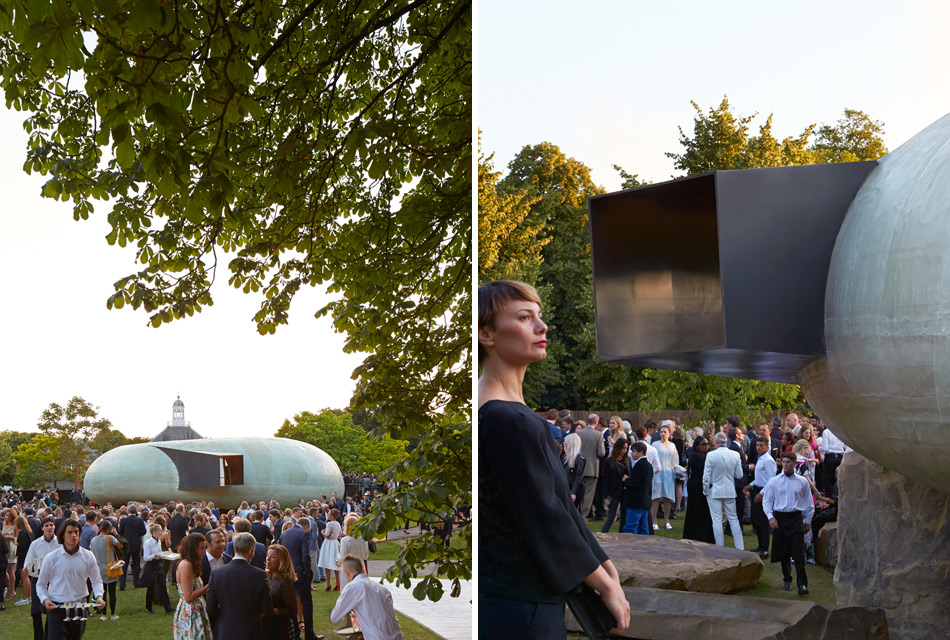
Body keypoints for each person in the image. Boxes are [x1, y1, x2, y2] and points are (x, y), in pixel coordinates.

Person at [478, 279, 629, 637]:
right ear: (487, 333)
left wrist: (607, 568)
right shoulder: (504, 419)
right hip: (519, 605)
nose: (542, 327)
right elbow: (544, 517)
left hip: (521, 600)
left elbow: (560, 507)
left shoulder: (512, 415)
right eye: (525, 317)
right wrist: (606, 586)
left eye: (539, 317)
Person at [36, 520, 107, 639]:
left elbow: (96, 580)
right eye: (70, 532)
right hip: (57, 608)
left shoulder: (88, 556)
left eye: (76, 532)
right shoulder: (51, 558)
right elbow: (41, 584)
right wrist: (45, 599)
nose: (73, 535)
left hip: (79, 607)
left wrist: (99, 596)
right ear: (63, 535)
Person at [762, 451, 815, 596]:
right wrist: (770, 517)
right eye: (783, 462)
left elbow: (808, 502)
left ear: (794, 463)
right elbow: (767, 501)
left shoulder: (802, 481)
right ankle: (787, 579)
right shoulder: (774, 481)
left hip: (796, 518)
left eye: (788, 462)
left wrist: (807, 521)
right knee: (783, 552)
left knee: (798, 553)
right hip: (779, 517)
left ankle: (802, 584)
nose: (785, 464)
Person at [206, 531, 273, 640]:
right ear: (251, 551)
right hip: (252, 631)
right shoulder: (260, 575)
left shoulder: (217, 574)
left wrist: (225, 616)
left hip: (226, 630)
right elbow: (267, 608)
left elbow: (210, 607)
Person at [330, 554, 403, 640]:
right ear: (363, 570)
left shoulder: (353, 587)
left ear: (346, 573)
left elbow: (335, 618)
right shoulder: (382, 589)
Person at [702, 432, 745, 550]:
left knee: (716, 520)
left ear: (716, 442)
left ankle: (720, 547)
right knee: (733, 519)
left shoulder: (711, 455)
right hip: (729, 490)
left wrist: (705, 491)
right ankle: (740, 547)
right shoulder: (735, 454)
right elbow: (739, 474)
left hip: (715, 490)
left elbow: (706, 477)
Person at [24, 516, 59, 640]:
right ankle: (39, 637)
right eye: (46, 525)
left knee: (51, 610)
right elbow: (28, 561)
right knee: (36, 611)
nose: (49, 528)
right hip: (37, 579)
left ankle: (49, 635)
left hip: (54, 580)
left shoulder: (60, 543)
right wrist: (26, 570)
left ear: (54, 527)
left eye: (51, 525)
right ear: (42, 528)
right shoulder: (35, 544)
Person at [173, 532, 213, 640]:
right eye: (201, 548)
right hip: (190, 612)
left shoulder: (192, 563)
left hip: (197, 608)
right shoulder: (186, 565)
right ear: (192, 549)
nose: (204, 551)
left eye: (205, 547)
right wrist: (209, 586)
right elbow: (188, 597)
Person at [743, 437, 777, 558]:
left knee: (763, 521)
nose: (758, 447)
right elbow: (758, 479)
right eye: (757, 445)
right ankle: (760, 545)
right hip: (757, 488)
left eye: (761, 445)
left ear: (767, 447)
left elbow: (771, 480)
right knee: (755, 520)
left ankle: (765, 548)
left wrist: (761, 493)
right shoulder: (760, 458)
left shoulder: (768, 460)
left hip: (765, 491)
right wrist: (750, 486)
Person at [263, 544, 302, 640]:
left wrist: (272, 611)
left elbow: (292, 610)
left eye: (273, 557)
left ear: (281, 561)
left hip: (281, 629)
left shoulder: (285, 582)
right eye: (267, 555)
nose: (268, 559)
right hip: (267, 628)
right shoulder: (266, 576)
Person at [681, 436, 715, 544]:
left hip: (702, 485)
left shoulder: (706, 456)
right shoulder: (695, 456)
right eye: (703, 444)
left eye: (707, 444)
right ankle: (695, 535)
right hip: (696, 486)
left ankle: (704, 535)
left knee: (704, 512)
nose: (706, 446)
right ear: (697, 446)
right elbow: (705, 468)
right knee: (696, 510)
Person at [88, 520, 123, 620]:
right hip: (110, 567)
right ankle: (112, 614)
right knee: (112, 592)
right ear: (109, 529)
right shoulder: (110, 538)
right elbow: (121, 545)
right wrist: (116, 534)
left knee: (101, 592)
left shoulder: (93, 540)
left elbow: (91, 553)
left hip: (98, 568)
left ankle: (103, 614)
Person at [141, 522, 175, 614]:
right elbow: (145, 557)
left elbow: (160, 552)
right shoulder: (148, 543)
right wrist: (154, 555)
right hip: (151, 566)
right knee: (151, 587)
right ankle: (149, 607)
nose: (161, 532)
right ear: (154, 532)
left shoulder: (159, 541)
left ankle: (167, 607)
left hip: (158, 565)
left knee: (163, 585)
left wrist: (163, 555)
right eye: (160, 531)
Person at [622, 442, 654, 535]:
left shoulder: (639, 465)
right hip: (644, 501)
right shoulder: (649, 465)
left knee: (631, 527)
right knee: (643, 528)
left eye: (634, 451)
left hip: (636, 501)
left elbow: (635, 483)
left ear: (641, 452)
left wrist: (626, 480)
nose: (631, 453)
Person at [651, 423, 678, 530]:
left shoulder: (672, 445)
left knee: (667, 498)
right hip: (657, 473)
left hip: (668, 473)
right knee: (656, 498)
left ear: (669, 433)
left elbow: (675, 460)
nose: (662, 434)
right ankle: (654, 521)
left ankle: (667, 520)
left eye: (665, 432)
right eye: (661, 432)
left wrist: (677, 472)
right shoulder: (655, 444)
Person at [601, 438, 631, 533]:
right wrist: (607, 497)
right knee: (611, 517)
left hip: (625, 492)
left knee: (624, 517)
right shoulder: (608, 462)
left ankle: (621, 534)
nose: (624, 451)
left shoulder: (627, 461)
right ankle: (603, 534)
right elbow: (605, 480)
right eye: (623, 448)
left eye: (626, 448)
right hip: (613, 492)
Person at [317, 508, 342, 590]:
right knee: (336, 562)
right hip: (335, 542)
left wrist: (322, 532)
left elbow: (327, 535)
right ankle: (337, 583)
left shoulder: (329, 524)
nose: (328, 515)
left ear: (332, 516)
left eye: (329, 514)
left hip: (328, 543)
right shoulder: (337, 523)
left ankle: (328, 584)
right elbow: (339, 535)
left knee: (327, 563)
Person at [562, 432, 586, 511]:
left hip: (575, 487)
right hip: (569, 485)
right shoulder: (567, 457)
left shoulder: (579, 458)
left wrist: (573, 492)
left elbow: (578, 475)